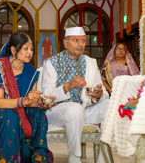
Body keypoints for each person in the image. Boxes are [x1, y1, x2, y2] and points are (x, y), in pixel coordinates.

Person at [0, 32, 54, 163]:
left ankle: (37, 158)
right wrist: (24, 101)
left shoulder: (31, 72)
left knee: (39, 114)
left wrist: (40, 103)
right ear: (14, 50)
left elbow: (30, 101)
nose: (30, 52)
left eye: (31, 49)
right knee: (10, 116)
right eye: (25, 48)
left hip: (20, 108)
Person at [42, 27, 109, 163]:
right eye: (76, 40)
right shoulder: (53, 63)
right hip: (56, 111)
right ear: (66, 43)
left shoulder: (90, 62)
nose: (80, 44)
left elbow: (103, 93)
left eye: (83, 41)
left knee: (109, 105)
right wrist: (68, 86)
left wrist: (99, 95)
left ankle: (103, 155)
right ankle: (75, 157)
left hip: (85, 108)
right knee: (74, 109)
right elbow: (46, 95)